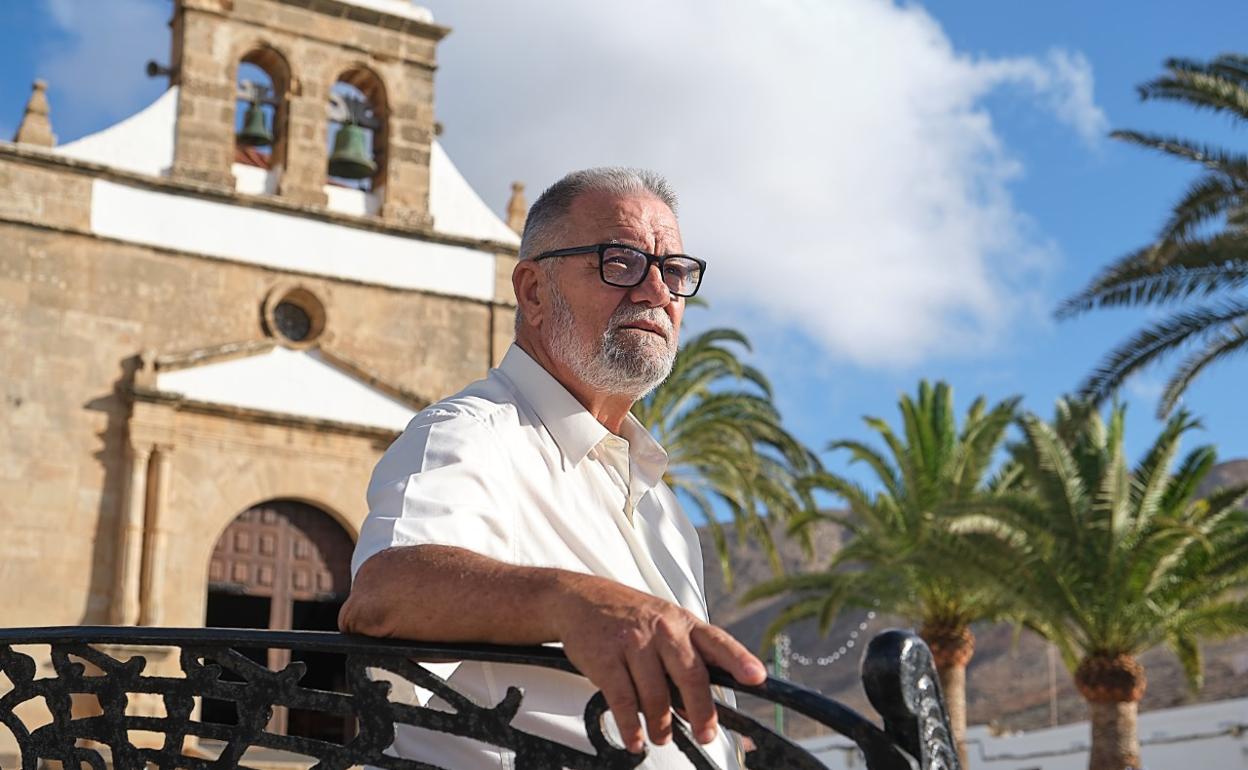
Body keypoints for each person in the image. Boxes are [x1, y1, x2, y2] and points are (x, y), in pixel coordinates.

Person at [339, 167, 766, 769]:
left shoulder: (661, 504)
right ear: (534, 292)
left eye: (673, 272)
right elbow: (384, 594)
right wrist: (575, 603)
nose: (655, 292)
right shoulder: (472, 435)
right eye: (620, 262)